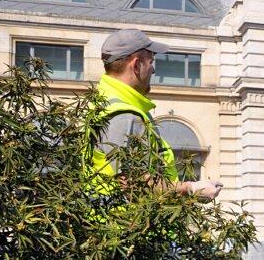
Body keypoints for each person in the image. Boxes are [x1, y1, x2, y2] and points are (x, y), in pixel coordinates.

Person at [87, 28, 221, 201]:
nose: (153, 70)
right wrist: (191, 189)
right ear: (136, 65)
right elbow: (131, 184)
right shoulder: (126, 116)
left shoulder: (102, 102)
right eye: (151, 62)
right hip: (130, 225)